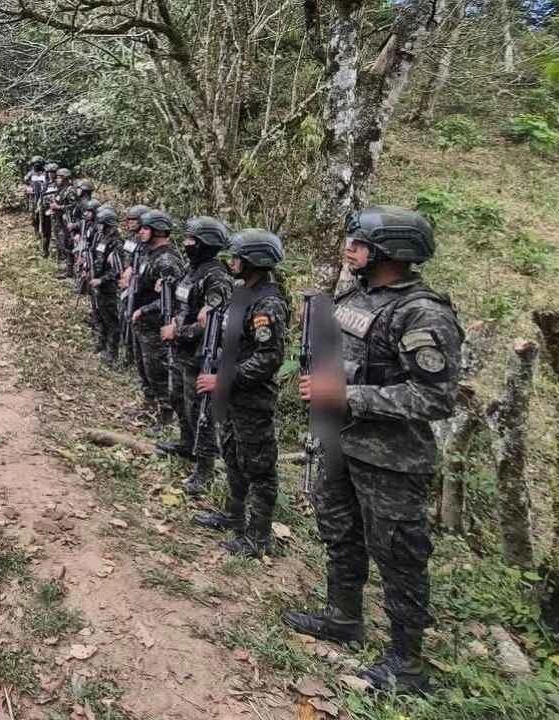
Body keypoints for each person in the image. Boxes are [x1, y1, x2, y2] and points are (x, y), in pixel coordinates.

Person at [282, 206, 463, 693]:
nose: (349, 248)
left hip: (392, 459)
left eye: (359, 243)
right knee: (339, 530)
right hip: (342, 442)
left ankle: (406, 664)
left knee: (399, 556)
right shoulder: (357, 296)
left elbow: (436, 397)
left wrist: (347, 396)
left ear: (391, 253)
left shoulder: (422, 313)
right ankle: (343, 616)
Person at [191, 230, 287, 560]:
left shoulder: (268, 303)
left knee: (259, 468)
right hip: (232, 395)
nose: (231, 262)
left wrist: (223, 379)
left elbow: (267, 358)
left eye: (237, 257)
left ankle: (258, 537)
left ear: (254, 261)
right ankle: (233, 516)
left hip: (252, 399)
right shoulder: (242, 292)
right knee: (232, 456)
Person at [159, 216, 233, 495]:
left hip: (199, 356)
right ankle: (185, 444)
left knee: (199, 412)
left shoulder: (216, 276)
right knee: (177, 398)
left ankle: (204, 468)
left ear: (206, 244)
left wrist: (179, 332)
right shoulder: (193, 270)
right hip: (180, 352)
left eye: (192, 240)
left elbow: (211, 322)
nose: (187, 244)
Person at [129, 210, 185, 432]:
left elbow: (171, 299)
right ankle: (148, 405)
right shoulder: (149, 253)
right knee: (145, 369)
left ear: (157, 231)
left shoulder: (167, 260)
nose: (140, 232)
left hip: (155, 325)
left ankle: (165, 418)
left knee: (158, 373)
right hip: (142, 323)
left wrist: (144, 310)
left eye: (145, 228)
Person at [88, 207, 123, 363]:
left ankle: (112, 352)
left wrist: (101, 280)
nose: (98, 226)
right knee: (100, 315)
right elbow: (97, 259)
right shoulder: (101, 237)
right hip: (98, 283)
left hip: (110, 287)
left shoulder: (117, 243)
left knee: (112, 321)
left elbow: (117, 270)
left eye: (101, 223)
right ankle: (101, 343)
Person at [117, 205, 149, 371]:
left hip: (140, 290)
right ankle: (126, 355)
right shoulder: (130, 238)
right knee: (123, 317)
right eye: (128, 220)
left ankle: (132, 361)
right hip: (126, 284)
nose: (129, 223)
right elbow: (126, 257)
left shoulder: (147, 243)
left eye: (133, 220)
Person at [50, 168, 78, 277]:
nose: (57, 179)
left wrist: (59, 207)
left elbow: (74, 206)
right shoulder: (61, 189)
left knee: (68, 245)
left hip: (67, 222)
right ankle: (67, 267)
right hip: (59, 221)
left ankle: (70, 270)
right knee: (62, 244)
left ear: (65, 178)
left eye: (59, 177)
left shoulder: (70, 191)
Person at [23, 156, 50, 245]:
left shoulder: (46, 173)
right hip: (33, 198)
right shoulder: (30, 173)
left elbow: (50, 183)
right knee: (33, 217)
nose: (36, 166)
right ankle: (36, 233)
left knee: (43, 217)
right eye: (34, 164)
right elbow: (25, 182)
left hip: (43, 198)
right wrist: (28, 188)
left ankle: (44, 235)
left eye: (38, 164)